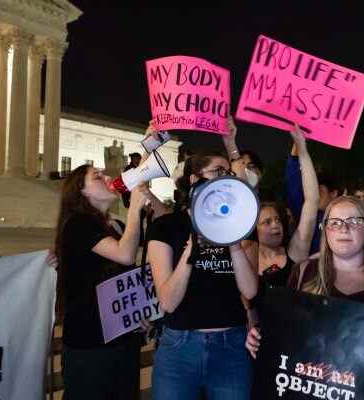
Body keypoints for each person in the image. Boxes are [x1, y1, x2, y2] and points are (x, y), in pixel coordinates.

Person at [246, 196, 364, 398]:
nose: (344, 229)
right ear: (325, 230)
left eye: (354, 221)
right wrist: (260, 337)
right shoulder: (303, 273)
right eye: (335, 222)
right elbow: (283, 334)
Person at [147, 151, 258, 400]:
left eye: (229, 173)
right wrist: (192, 247)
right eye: (218, 171)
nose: (227, 177)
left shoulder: (238, 225)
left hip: (231, 347)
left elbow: (250, 291)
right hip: (180, 349)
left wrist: (234, 242)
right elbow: (168, 302)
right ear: (195, 179)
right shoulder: (165, 226)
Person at [54, 164, 148, 400]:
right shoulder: (78, 224)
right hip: (90, 346)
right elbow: (125, 254)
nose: (107, 177)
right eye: (97, 176)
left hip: (123, 340)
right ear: (81, 192)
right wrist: (135, 207)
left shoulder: (114, 226)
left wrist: (139, 312)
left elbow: (125, 276)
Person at [258, 124, 318, 288]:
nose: (276, 225)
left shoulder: (295, 253)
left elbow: (311, 201)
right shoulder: (245, 259)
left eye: (277, 219)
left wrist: (303, 150)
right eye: (267, 222)